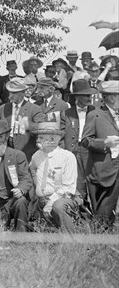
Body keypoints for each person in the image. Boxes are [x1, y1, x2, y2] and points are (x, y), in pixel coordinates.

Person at [0, 120, 32, 231]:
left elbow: (26, 179)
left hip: (12, 200)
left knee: (21, 201)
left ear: (7, 136)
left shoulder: (18, 155)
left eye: (0, 137)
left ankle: (21, 236)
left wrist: (21, 190)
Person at [80, 80, 119, 228]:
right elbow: (85, 141)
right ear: (110, 97)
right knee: (102, 212)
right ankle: (99, 243)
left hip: (117, 169)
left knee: (110, 211)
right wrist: (104, 144)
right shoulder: (95, 115)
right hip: (103, 170)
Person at [29, 122, 79, 232]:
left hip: (61, 199)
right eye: (37, 137)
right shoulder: (37, 155)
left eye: (41, 137)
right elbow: (32, 168)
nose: (37, 140)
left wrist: (50, 202)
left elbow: (68, 188)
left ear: (53, 139)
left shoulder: (67, 157)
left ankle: (71, 240)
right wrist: (38, 186)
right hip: (42, 200)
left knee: (58, 206)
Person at [60, 79, 97, 208]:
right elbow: (61, 134)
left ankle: (99, 218)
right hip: (73, 153)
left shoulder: (97, 112)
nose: (89, 98)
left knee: (93, 184)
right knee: (77, 185)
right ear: (77, 96)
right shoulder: (66, 113)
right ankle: (81, 217)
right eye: (86, 95)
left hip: (91, 152)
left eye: (90, 95)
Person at [0, 78, 45, 162]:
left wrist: (29, 125)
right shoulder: (2, 109)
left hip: (26, 153)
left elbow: (43, 128)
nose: (11, 95)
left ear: (23, 92)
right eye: (10, 92)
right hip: (6, 152)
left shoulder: (34, 109)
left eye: (15, 93)